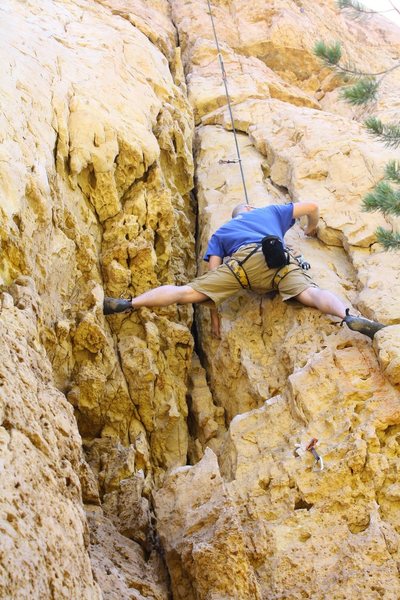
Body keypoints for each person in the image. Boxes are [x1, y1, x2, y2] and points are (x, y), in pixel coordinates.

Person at [103, 201, 385, 339]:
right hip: (278, 259)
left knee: (185, 292)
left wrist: (215, 320)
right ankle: (348, 316)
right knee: (311, 293)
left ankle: (128, 303)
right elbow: (312, 206)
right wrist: (311, 229)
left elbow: (210, 281)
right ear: (250, 208)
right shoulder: (271, 212)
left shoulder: (222, 233)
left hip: (242, 267)